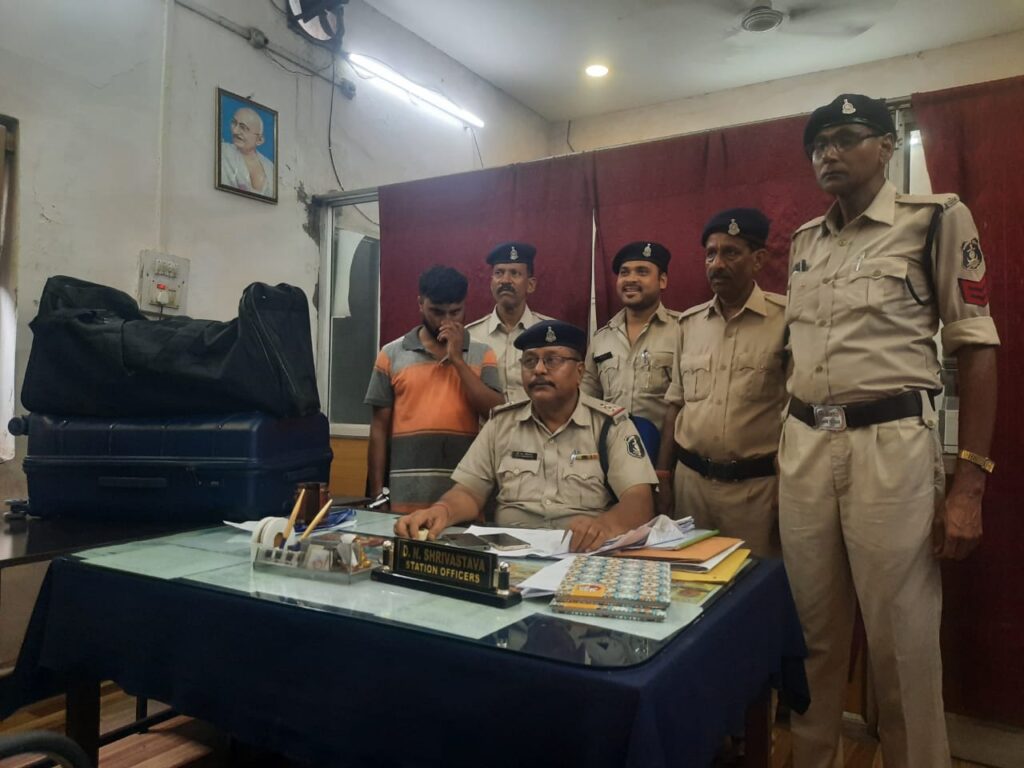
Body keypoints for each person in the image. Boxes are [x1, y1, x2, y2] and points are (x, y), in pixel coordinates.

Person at [781, 93, 999, 768]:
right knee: (811, 636)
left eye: (846, 138)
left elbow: (976, 348)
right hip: (804, 446)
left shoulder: (935, 219)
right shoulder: (804, 243)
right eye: (818, 144)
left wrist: (969, 484)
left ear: (886, 145)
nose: (829, 153)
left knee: (902, 643)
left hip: (889, 446)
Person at [394, 320, 657, 552]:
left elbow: (639, 500)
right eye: (529, 361)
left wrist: (603, 526)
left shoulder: (610, 425)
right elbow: (470, 492)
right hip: (510, 552)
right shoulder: (502, 423)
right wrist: (441, 511)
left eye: (552, 360)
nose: (539, 370)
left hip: (582, 552)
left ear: (579, 372)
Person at [654, 209, 787, 557]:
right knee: (689, 580)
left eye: (731, 253)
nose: (717, 264)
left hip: (756, 492)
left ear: (758, 259)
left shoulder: (785, 321)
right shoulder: (689, 324)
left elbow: (797, 414)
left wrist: (787, 484)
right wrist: (663, 477)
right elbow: (675, 405)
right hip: (691, 487)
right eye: (710, 254)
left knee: (755, 583)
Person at [365, 265, 504, 513]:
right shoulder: (391, 354)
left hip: (462, 498)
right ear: (420, 303)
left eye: (455, 312)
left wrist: (458, 360)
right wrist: (377, 494)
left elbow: (496, 413)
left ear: (465, 305)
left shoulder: (483, 353)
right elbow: (379, 429)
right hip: (405, 496)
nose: (446, 322)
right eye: (437, 312)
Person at [582, 241, 680, 428]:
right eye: (624, 272)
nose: (630, 279)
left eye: (642, 272)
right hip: (612, 443)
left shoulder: (681, 330)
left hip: (665, 443)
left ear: (662, 281)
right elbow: (587, 400)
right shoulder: (601, 339)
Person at [466, 241, 552, 403]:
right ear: (491, 283)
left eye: (515, 273)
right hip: (488, 420)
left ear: (531, 285)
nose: (505, 280)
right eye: (499, 273)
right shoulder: (471, 337)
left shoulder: (550, 332)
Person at [220, 106, 275, 197]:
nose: (235, 131)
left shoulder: (270, 168)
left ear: (259, 140)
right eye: (234, 123)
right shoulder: (223, 151)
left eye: (243, 127)